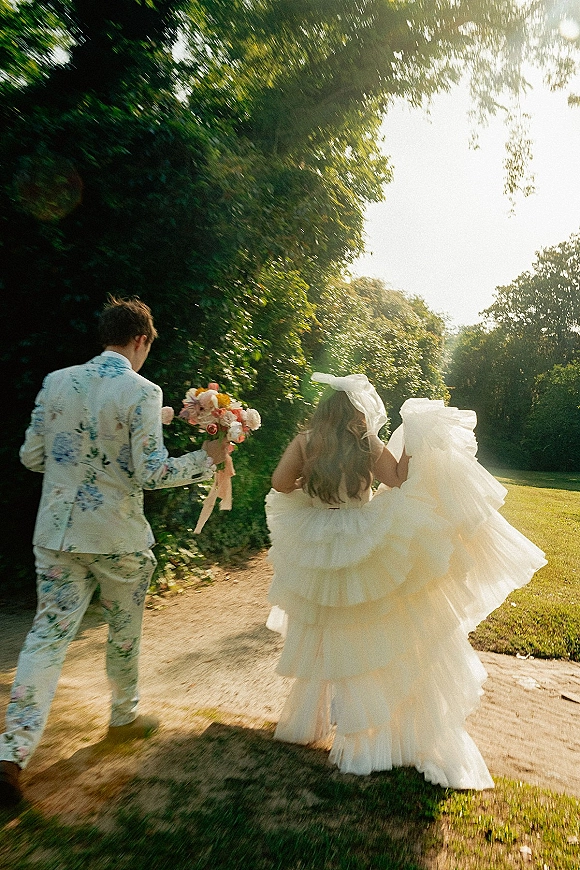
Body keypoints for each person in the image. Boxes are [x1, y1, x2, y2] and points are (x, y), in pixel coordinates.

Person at [265, 372, 547, 790]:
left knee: (325, 625)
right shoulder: (365, 441)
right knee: (364, 627)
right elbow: (397, 479)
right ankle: (361, 726)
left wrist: (308, 481)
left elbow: (279, 483)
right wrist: (414, 443)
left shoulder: (307, 441)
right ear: (358, 413)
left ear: (325, 408)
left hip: (318, 538)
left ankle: (313, 719)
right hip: (362, 535)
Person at [0, 296, 226, 807]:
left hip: (56, 535)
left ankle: (11, 753)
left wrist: (74, 467)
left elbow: (31, 454)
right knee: (124, 631)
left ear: (107, 334)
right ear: (141, 339)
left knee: (44, 641)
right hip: (116, 537)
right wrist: (204, 459)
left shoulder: (57, 381)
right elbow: (150, 472)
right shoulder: (139, 389)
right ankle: (124, 715)